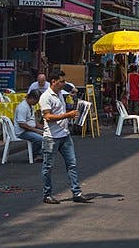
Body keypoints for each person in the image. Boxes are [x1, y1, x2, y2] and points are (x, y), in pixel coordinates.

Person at [40, 71, 92, 204]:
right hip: (51, 137)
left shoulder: (60, 93)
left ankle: (76, 192)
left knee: (72, 164)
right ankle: (47, 194)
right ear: (53, 81)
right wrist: (67, 115)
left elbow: (72, 89)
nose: (64, 84)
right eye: (61, 81)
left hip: (65, 135)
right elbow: (48, 117)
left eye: (64, 81)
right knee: (48, 167)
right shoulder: (46, 97)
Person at [13, 91, 44, 156]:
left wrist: (43, 128)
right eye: (36, 100)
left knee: (47, 135)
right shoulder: (23, 107)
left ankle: (39, 153)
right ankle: (33, 155)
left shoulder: (31, 106)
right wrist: (36, 130)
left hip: (29, 129)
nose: (37, 102)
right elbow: (22, 124)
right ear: (32, 98)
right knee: (40, 139)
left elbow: (34, 121)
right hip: (22, 132)